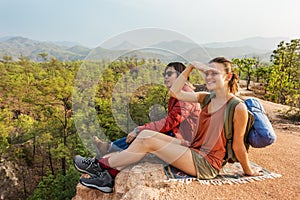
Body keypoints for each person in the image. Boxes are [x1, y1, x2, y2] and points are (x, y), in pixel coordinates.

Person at [74, 57, 262, 193]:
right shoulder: (206, 98)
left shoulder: (237, 107)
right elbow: (175, 92)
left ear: (228, 77)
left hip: (206, 163)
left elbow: (238, 145)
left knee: (150, 142)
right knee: (145, 136)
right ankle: (107, 177)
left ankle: (99, 165)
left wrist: (248, 171)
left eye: (215, 73)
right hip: (192, 148)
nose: (209, 77)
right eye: (207, 72)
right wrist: (190, 67)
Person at [92, 62, 201, 158]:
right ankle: (109, 149)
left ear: (181, 76)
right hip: (179, 134)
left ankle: (110, 151)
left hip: (187, 141)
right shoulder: (179, 93)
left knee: (145, 136)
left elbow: (170, 121)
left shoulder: (186, 95)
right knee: (146, 134)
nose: (165, 77)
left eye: (169, 74)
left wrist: (139, 129)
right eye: (164, 74)